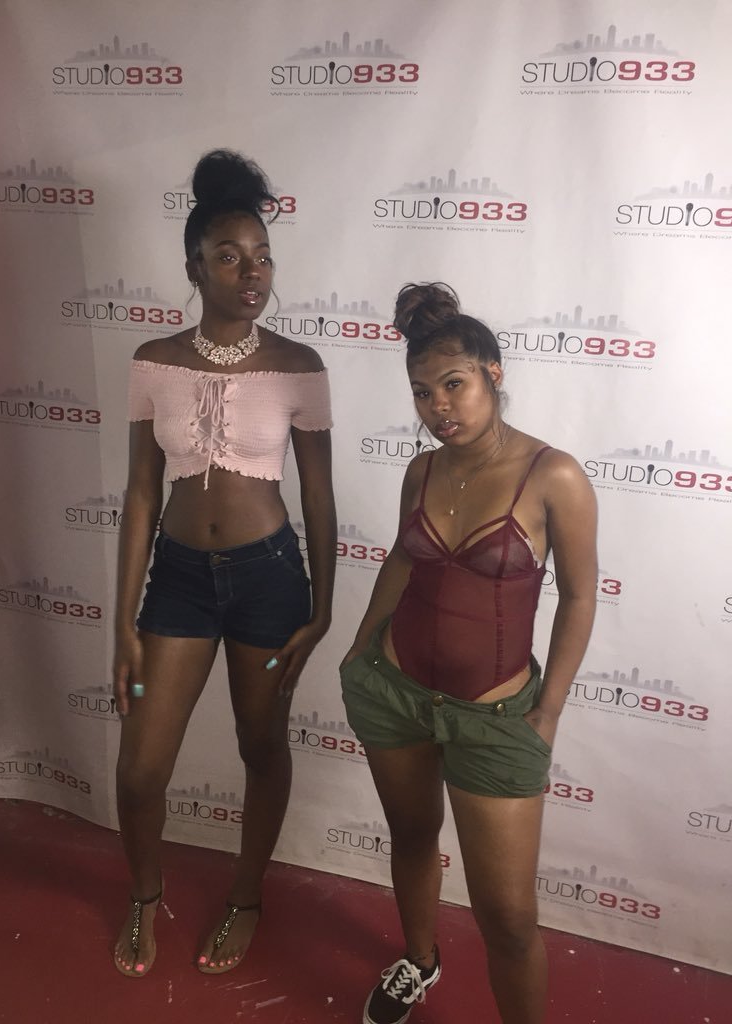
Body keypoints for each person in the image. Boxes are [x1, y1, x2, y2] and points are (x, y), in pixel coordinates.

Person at [340, 283, 597, 1024]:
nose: (438, 407)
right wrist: (360, 649)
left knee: (508, 919)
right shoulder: (421, 471)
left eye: (453, 384)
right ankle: (419, 962)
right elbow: (403, 557)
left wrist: (547, 714)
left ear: (494, 373)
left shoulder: (554, 474)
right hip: (393, 693)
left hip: (496, 718)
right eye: (423, 393)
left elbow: (580, 596)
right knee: (412, 836)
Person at [112, 149, 336, 978]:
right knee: (141, 769)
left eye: (263, 256)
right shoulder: (154, 360)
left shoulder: (299, 367)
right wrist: (123, 622)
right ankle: (144, 894)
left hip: (269, 580)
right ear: (195, 267)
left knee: (261, 743)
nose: (253, 272)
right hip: (177, 579)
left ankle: (247, 895)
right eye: (231, 256)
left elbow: (319, 498)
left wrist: (322, 608)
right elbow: (141, 493)